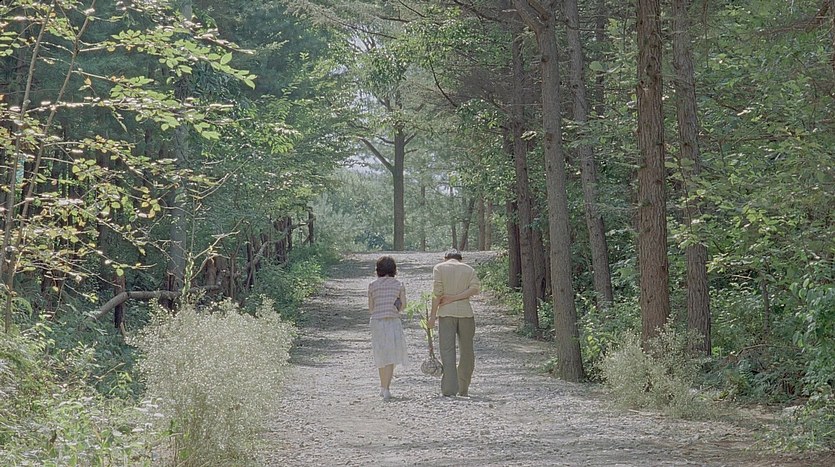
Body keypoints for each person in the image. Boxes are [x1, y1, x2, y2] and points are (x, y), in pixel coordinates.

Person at [428, 248, 481, 397]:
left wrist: (432, 316)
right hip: (466, 313)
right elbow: (475, 289)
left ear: (445, 258)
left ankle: (449, 389)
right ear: (461, 259)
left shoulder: (439, 268)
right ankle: (463, 387)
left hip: (446, 313)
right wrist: (457, 297)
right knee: (467, 351)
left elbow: (437, 293)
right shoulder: (468, 269)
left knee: (447, 350)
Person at [368, 256, 407, 401]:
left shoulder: (372, 285)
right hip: (393, 321)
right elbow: (403, 306)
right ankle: (386, 388)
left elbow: (371, 308)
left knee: (380, 353)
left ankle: (382, 386)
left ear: (378, 269)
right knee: (391, 355)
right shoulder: (399, 285)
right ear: (394, 269)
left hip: (377, 322)